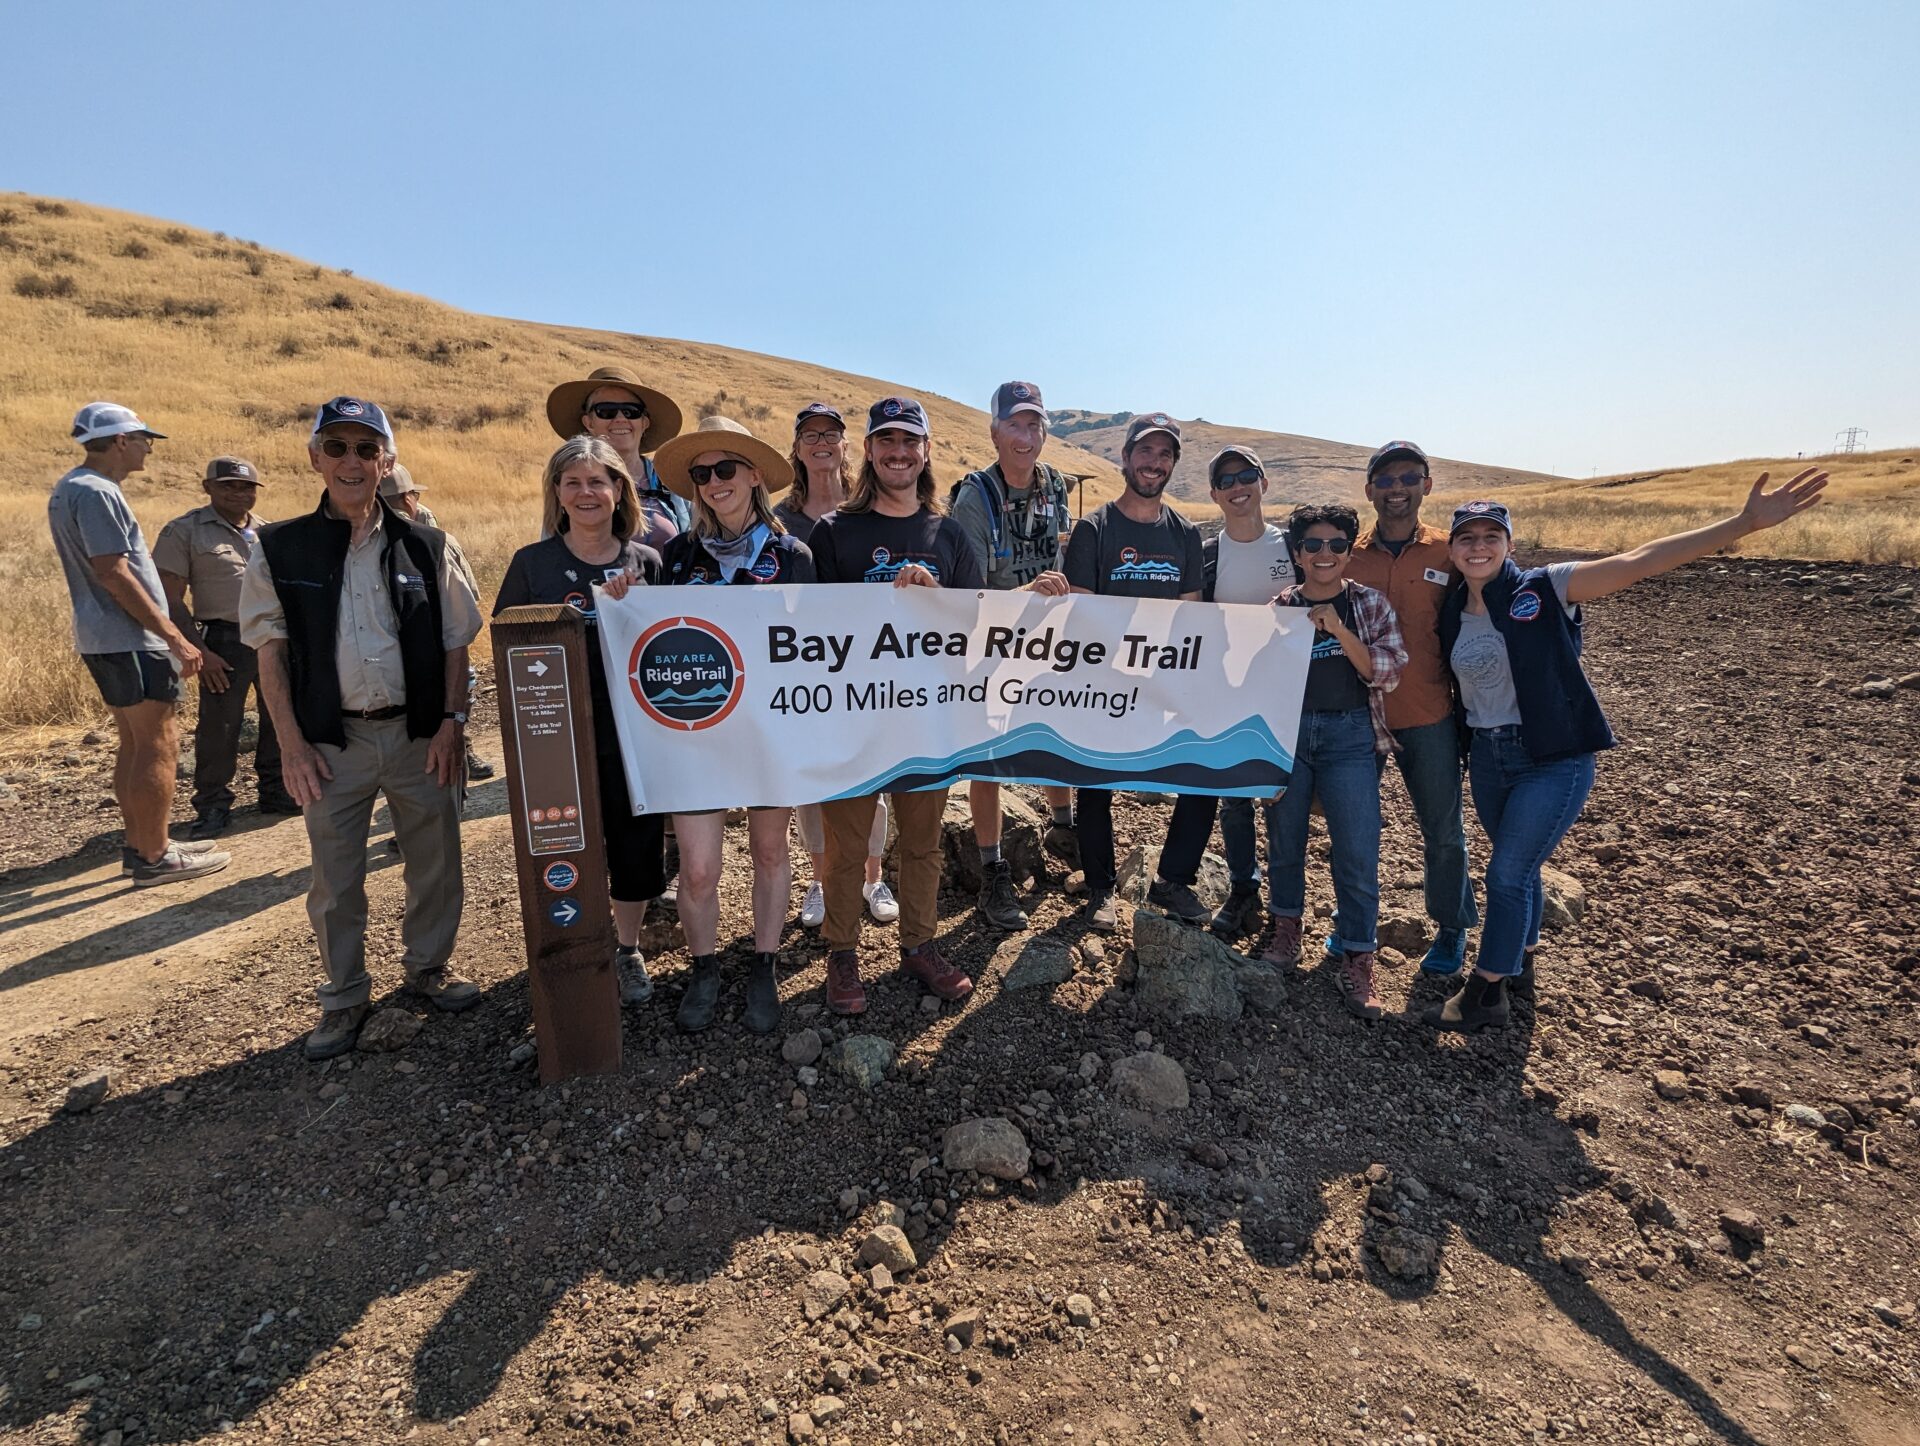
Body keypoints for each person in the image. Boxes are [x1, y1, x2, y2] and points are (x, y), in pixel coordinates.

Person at [1426, 473, 1826, 1033]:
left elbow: (1641, 559)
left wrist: (1743, 524)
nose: (1479, 546)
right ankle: (1521, 959)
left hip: (1554, 758)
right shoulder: (1450, 610)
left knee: (1507, 872)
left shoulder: (1546, 587)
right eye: (1467, 537)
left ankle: (1487, 992)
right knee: (1523, 866)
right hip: (1490, 759)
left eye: (1493, 535)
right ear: (1452, 548)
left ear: (1510, 545)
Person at [241, 397, 484, 1060]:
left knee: (435, 861)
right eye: (338, 446)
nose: (352, 460)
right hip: (329, 743)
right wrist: (290, 745)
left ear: (388, 461)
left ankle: (429, 969)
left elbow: (458, 641)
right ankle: (344, 996)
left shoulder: (428, 543)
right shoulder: (279, 547)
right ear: (315, 458)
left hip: (417, 735)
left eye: (366, 448)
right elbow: (271, 651)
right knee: (335, 877)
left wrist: (451, 725)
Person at [634, 416, 815, 1033]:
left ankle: (764, 962)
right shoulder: (675, 558)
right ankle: (705, 967)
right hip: (697, 732)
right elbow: (648, 638)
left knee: (769, 849)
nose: (714, 483)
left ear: (755, 475)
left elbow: (817, 643)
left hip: (772, 731)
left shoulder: (794, 557)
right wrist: (622, 596)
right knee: (700, 866)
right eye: (702, 474)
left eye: (726, 469)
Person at [808, 397, 985, 1013]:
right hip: (850, 719)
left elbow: (976, 632)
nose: (899, 452)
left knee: (922, 843)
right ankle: (842, 953)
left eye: (910, 441)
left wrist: (937, 603)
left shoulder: (951, 535)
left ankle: (919, 946)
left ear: (927, 451)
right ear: (870, 451)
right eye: (886, 440)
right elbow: (809, 632)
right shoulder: (833, 533)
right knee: (846, 847)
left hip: (926, 720)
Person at [494, 436, 668, 1009]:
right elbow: (509, 646)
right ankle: (568, 949)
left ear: (621, 490)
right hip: (557, 739)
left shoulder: (646, 562)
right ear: (557, 493)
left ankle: (625, 947)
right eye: (574, 482)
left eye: (600, 481)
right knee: (562, 841)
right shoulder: (531, 564)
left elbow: (669, 650)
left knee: (636, 845)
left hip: (632, 735)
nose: (587, 492)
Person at [48, 402, 229, 885]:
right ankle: (156, 856)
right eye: (144, 438)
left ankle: (143, 845)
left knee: (134, 740)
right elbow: (113, 571)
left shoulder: (72, 487)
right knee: (158, 741)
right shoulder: (97, 491)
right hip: (131, 636)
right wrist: (172, 635)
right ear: (122, 440)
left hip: (104, 637)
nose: (150, 446)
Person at [1262, 505, 1408, 1020]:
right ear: (1298, 554)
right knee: (1285, 836)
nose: (1325, 554)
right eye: (1314, 545)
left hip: (1351, 735)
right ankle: (1285, 928)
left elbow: (1384, 674)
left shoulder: (1369, 604)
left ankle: (1357, 954)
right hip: (1291, 735)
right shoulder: (1277, 608)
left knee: (1357, 846)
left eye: (1337, 546)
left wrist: (1338, 630)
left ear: (1348, 552)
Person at [1061, 413, 1205, 933]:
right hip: (1106, 684)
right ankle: (1100, 889)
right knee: (1094, 782)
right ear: (1125, 457)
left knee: (1204, 768)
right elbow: (1083, 615)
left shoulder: (1186, 534)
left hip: (1165, 681)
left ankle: (1173, 879)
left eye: (1165, 454)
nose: (1154, 463)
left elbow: (1191, 613)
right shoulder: (1093, 529)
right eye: (1145, 452)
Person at [948, 381, 1081, 930]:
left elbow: (1060, 550)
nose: (1025, 437)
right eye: (1015, 426)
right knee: (991, 755)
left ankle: (1064, 828)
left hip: (1046, 638)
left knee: (1054, 729)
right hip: (990, 644)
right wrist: (1026, 597)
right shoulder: (974, 496)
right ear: (995, 430)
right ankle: (992, 869)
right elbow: (968, 589)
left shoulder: (1055, 485)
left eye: (1035, 426)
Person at [1341, 441, 1476, 974]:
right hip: (1356, 713)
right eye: (1386, 480)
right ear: (1369, 490)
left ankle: (1452, 927)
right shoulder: (1347, 553)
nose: (1398, 489)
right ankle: (1352, 927)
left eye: (1409, 478)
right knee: (1353, 831)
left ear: (1427, 484)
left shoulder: (1450, 553)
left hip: (1428, 713)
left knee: (1442, 830)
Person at [1147, 445, 1294, 934]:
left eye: (1246, 476)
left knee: (1284, 801)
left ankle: (1287, 908)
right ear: (1214, 494)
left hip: (1288, 697)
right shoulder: (1206, 554)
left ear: (1264, 483)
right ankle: (1244, 890)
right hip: (1228, 696)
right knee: (1232, 800)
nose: (1237, 487)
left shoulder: (1296, 548)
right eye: (1226, 481)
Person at [776, 402, 896, 930]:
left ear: (849, 447)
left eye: (831, 434)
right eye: (809, 435)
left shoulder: (869, 509)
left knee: (873, 772)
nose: (821, 442)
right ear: (797, 448)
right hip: (802, 668)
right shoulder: (778, 518)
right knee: (812, 779)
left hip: (867, 666)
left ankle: (873, 877)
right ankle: (822, 881)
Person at [155, 456, 298, 838]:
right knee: (220, 726)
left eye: (247, 486)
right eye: (228, 486)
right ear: (208, 488)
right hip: (221, 640)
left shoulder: (267, 532)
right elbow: (169, 599)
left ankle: (276, 791)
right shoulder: (185, 531)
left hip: (270, 637)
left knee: (277, 715)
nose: (239, 493)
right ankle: (213, 805)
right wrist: (198, 649)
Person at [380, 465, 495, 784]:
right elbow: (469, 599)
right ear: (407, 498)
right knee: (453, 709)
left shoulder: (355, 542)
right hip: (445, 649)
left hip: (386, 661)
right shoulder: (438, 541)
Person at [545, 366, 690, 550]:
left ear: (644, 423)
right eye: (606, 411)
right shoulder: (570, 482)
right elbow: (548, 554)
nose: (620, 418)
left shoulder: (670, 481)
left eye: (631, 411)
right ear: (588, 422)